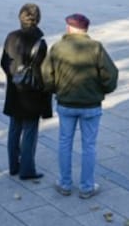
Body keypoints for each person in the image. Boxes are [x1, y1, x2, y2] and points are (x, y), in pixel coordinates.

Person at [42, 13, 118, 199]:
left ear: (69, 28)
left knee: (64, 142)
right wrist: (102, 90)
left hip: (66, 103)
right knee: (89, 146)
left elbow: (46, 74)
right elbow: (111, 74)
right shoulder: (96, 47)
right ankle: (86, 186)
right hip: (91, 105)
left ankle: (65, 183)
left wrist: (56, 89)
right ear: (86, 29)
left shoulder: (58, 47)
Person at [1, 4, 51, 180]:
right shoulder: (40, 43)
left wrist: (13, 75)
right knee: (30, 129)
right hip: (32, 93)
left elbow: (4, 62)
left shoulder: (11, 37)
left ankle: (13, 166)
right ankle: (27, 169)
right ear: (38, 20)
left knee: (14, 128)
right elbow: (43, 72)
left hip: (15, 90)